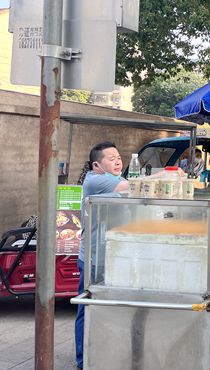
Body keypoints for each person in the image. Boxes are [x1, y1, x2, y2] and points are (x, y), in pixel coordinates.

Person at [75, 142, 128, 370]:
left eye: (119, 157)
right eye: (111, 158)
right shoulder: (97, 180)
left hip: (110, 256)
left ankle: (104, 354)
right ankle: (83, 360)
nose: (118, 161)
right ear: (97, 165)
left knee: (106, 308)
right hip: (94, 259)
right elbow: (135, 186)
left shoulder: (111, 179)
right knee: (88, 308)